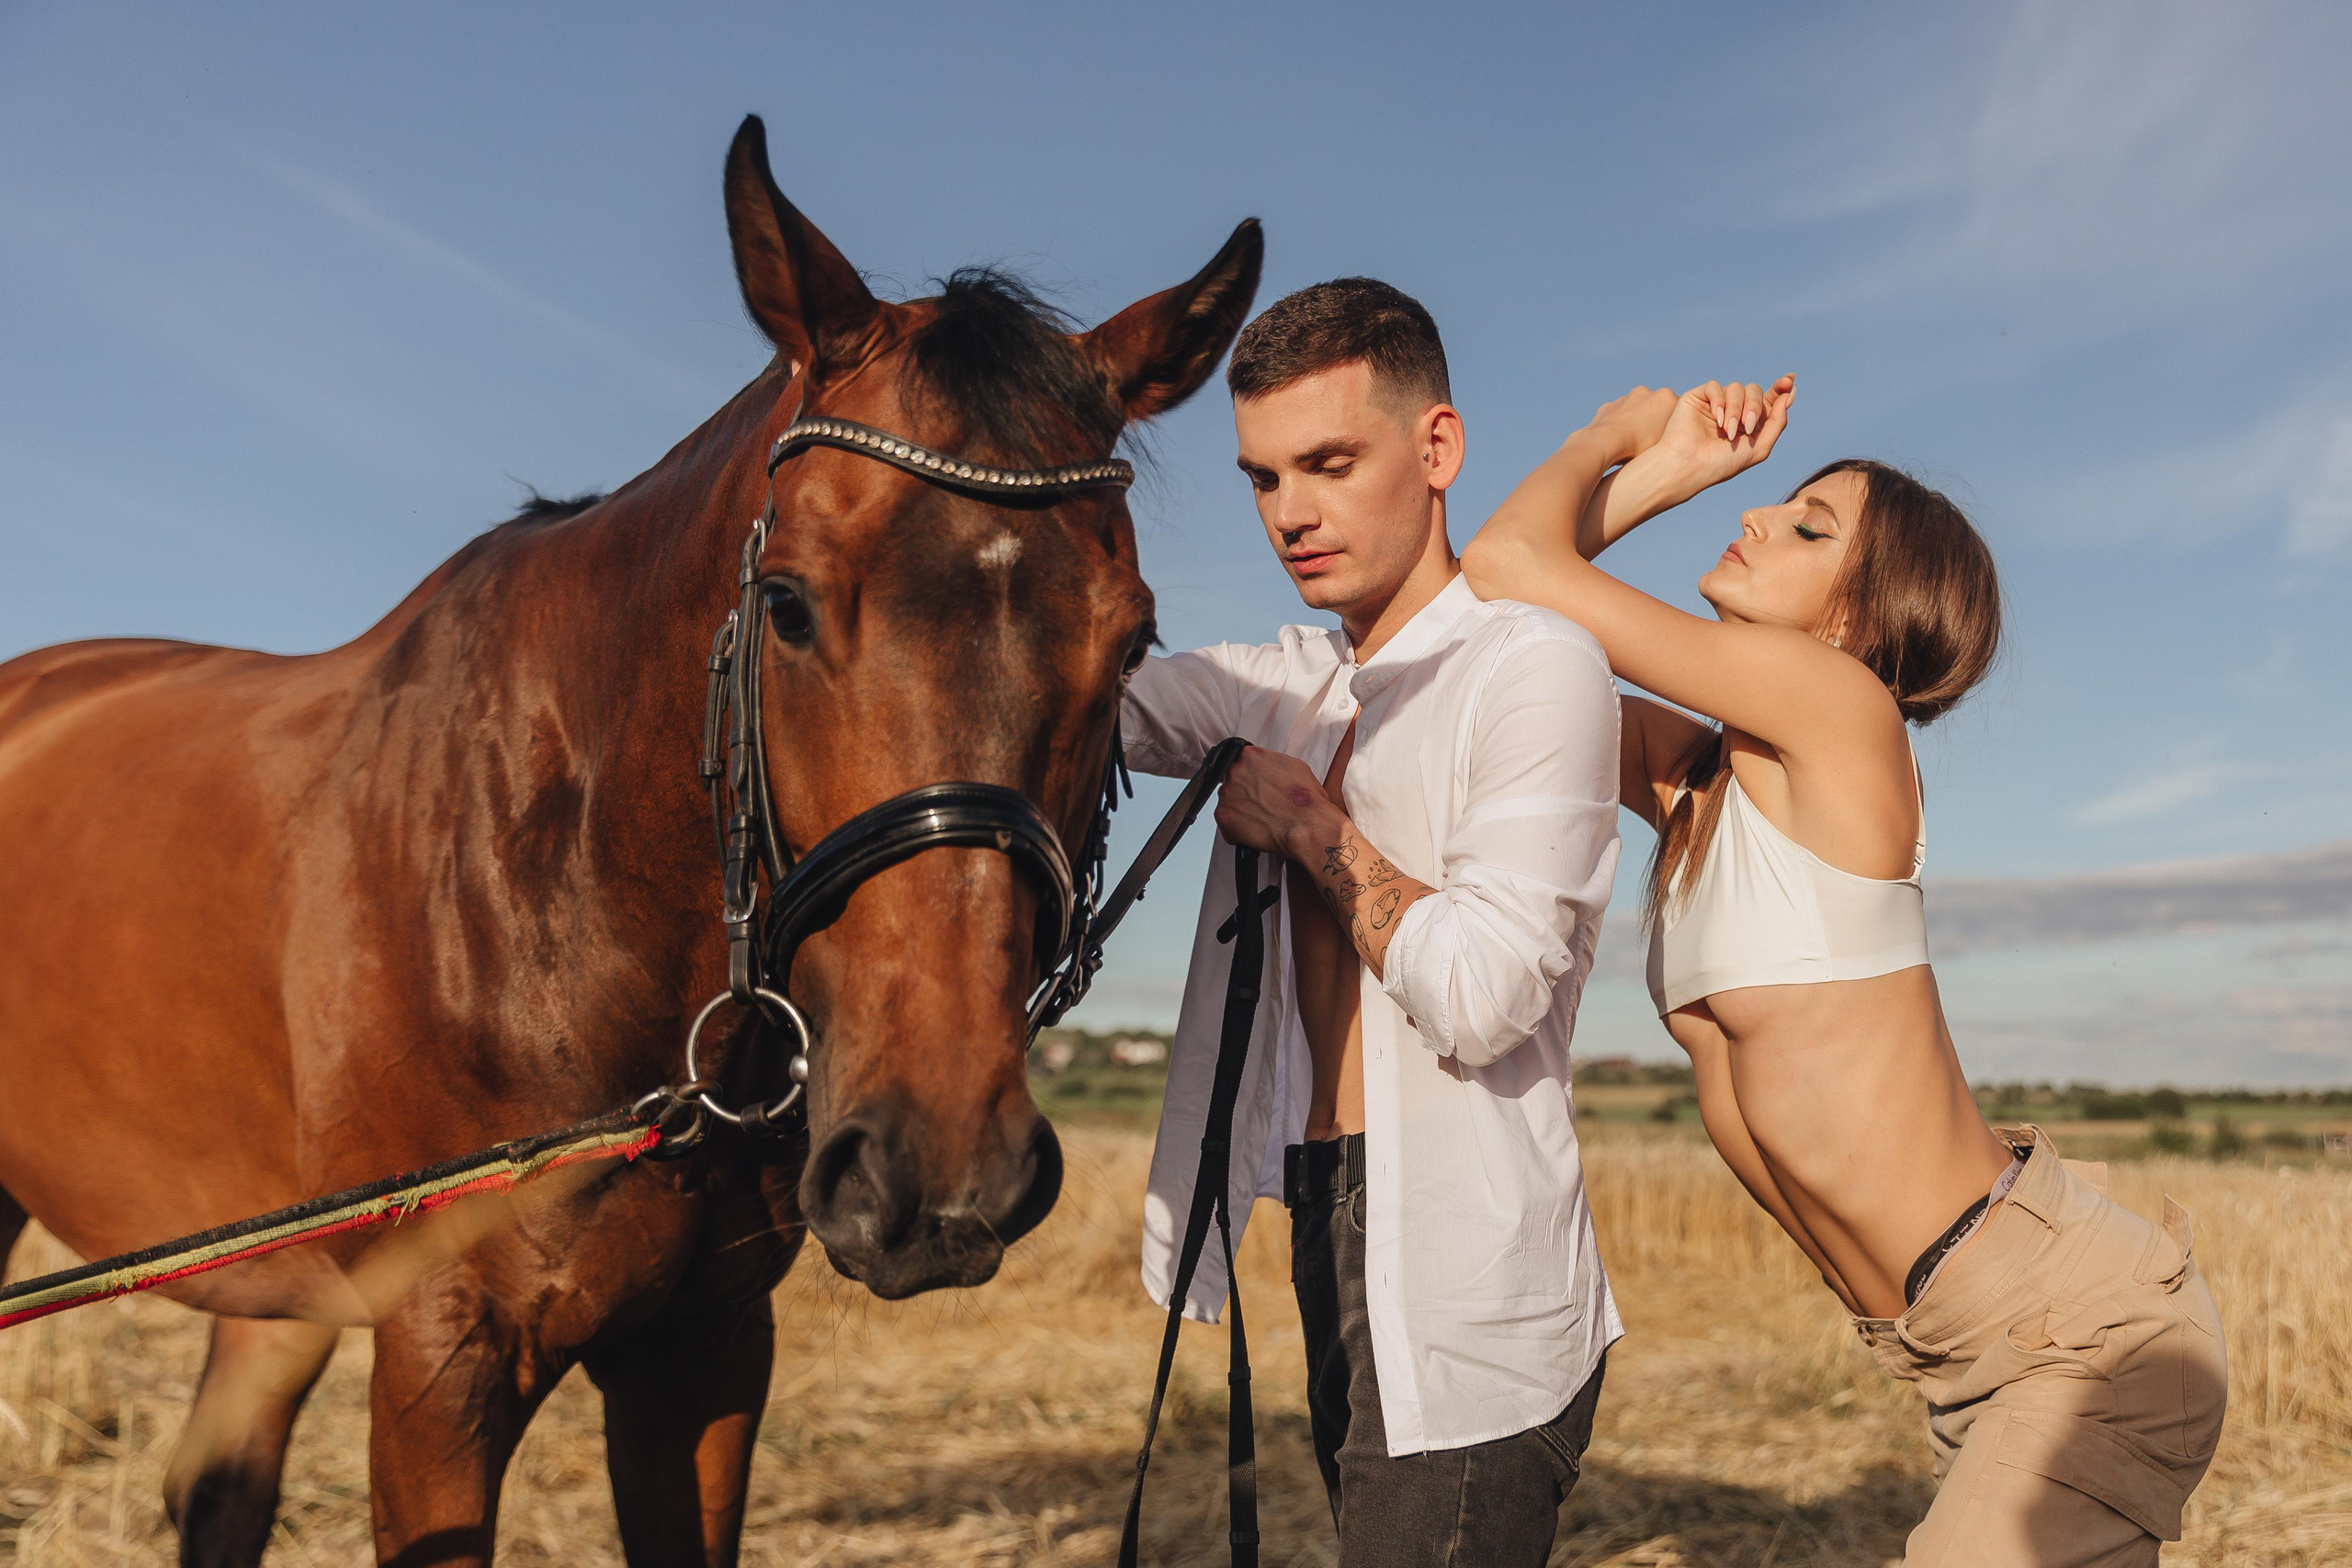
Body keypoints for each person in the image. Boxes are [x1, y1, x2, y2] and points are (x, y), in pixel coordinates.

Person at [1461, 378, 2229, 1566]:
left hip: (2081, 1335)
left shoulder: (1843, 709)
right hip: (1955, 1360)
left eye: (1811, 527)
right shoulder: (1699, 789)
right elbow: (1485, 632)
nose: (1759, 518)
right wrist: (1662, 479)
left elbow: (1518, 563)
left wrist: (1619, 446)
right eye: (1774, 503)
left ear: (1860, 617)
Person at [1121, 277, 1622, 1566]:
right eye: (1262, 478)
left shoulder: (1533, 666)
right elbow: (1071, 702)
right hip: (1324, 1212)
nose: (1292, 513)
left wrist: (1312, 833)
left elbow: (1485, 993)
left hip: (1470, 1287)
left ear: (1437, 449)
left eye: (1330, 464)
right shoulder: (1282, 688)